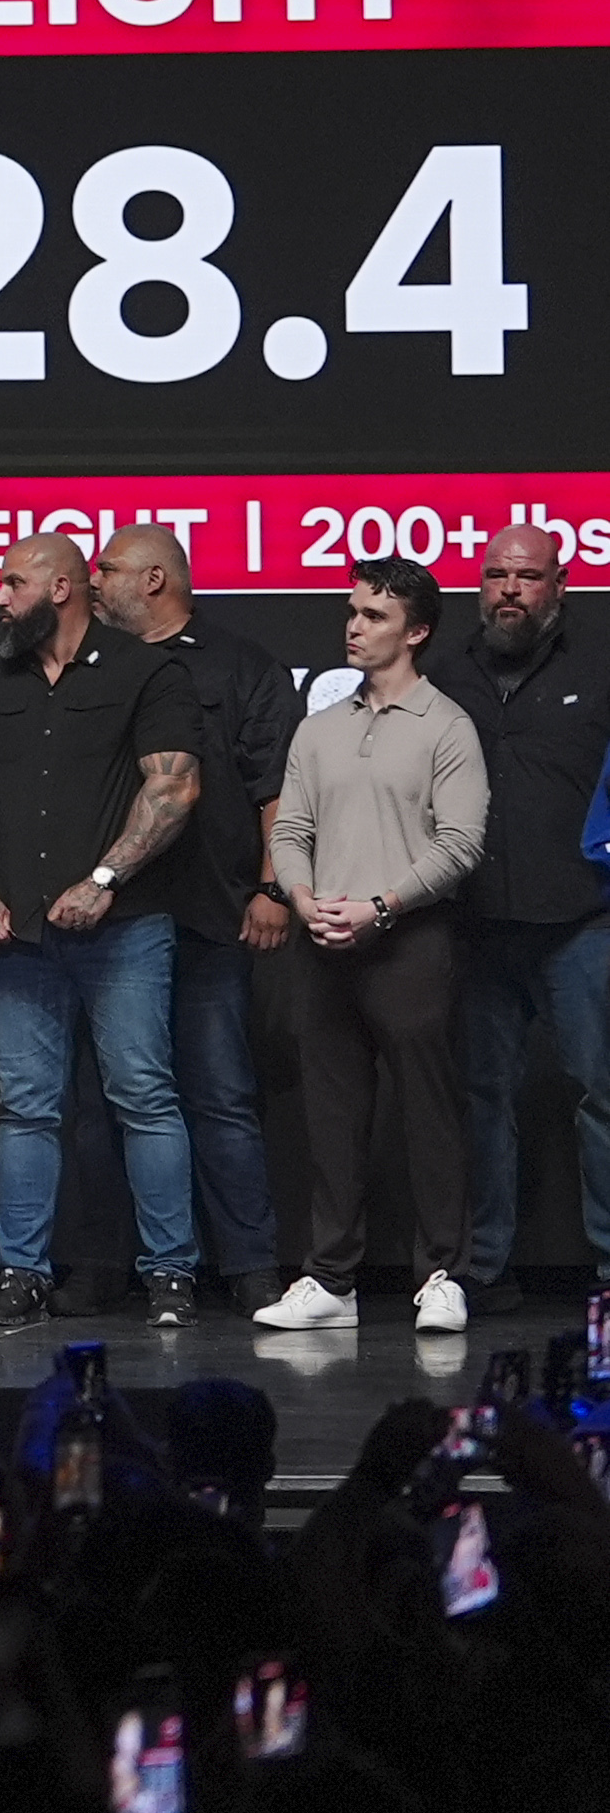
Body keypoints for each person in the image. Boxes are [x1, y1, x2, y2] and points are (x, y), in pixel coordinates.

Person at [0, 529, 211, 1331]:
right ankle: (21, 1271)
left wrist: (104, 879)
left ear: (61, 589)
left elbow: (175, 786)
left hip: (124, 927)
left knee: (144, 1098)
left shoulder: (146, 672)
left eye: (12, 583)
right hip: (14, 932)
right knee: (27, 1108)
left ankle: (170, 1275)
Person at [261, 557, 493, 1335]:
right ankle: (330, 1279)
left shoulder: (448, 727)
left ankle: (443, 1275)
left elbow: (461, 845)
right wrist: (302, 898)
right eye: (353, 612)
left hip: (409, 938)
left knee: (429, 1112)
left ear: (417, 631)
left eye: (374, 616)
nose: (354, 626)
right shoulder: (320, 727)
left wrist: (381, 906)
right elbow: (290, 830)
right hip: (322, 938)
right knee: (330, 1116)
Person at [94, 517, 292, 1310]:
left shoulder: (243, 666)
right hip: (116, 910)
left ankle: (250, 1266)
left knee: (219, 1093)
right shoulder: (90, 668)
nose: (93, 581)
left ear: (154, 580)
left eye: (107, 569)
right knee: (111, 1097)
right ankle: (109, 1267)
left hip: (213, 910)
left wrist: (273, 887)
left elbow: (277, 787)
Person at [442, 522, 610, 1307]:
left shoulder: (599, 666)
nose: (509, 590)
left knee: (598, 1094)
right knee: (483, 1100)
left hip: (580, 919)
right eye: (495, 576)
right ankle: (484, 1269)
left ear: (559, 586)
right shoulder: (445, 673)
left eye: (527, 577)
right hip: (476, 924)